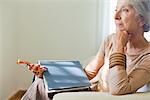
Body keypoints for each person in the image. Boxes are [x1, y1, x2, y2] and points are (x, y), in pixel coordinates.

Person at [21, 0, 150, 99]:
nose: (116, 16)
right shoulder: (110, 40)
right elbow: (88, 74)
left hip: (102, 98)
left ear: (141, 20)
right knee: (41, 81)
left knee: (41, 86)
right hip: (91, 92)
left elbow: (118, 88)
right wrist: (50, 74)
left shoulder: (147, 55)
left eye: (125, 10)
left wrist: (118, 47)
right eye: (116, 10)